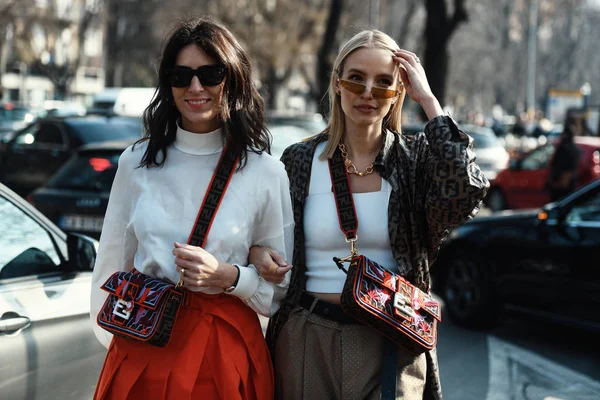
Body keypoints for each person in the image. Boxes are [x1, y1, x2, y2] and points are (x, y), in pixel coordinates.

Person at [249, 30, 489, 400]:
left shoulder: (414, 160)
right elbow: (264, 238)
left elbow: (465, 192)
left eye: (383, 83)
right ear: (338, 83)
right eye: (356, 78)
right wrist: (259, 255)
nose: (367, 93)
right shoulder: (299, 160)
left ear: (397, 92)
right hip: (308, 337)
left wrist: (429, 101)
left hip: (392, 338)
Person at [90, 16, 293, 400]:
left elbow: (279, 287)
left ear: (232, 78)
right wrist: (118, 342)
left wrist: (230, 277)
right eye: (180, 75)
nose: (195, 87)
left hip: (222, 354)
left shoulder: (265, 172)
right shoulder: (136, 163)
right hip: (141, 348)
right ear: (168, 84)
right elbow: (112, 262)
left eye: (210, 73)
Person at [547, 116, 582, 202]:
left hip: (561, 186)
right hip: (570, 185)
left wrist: (557, 183)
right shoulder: (576, 149)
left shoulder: (564, 149)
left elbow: (566, 169)